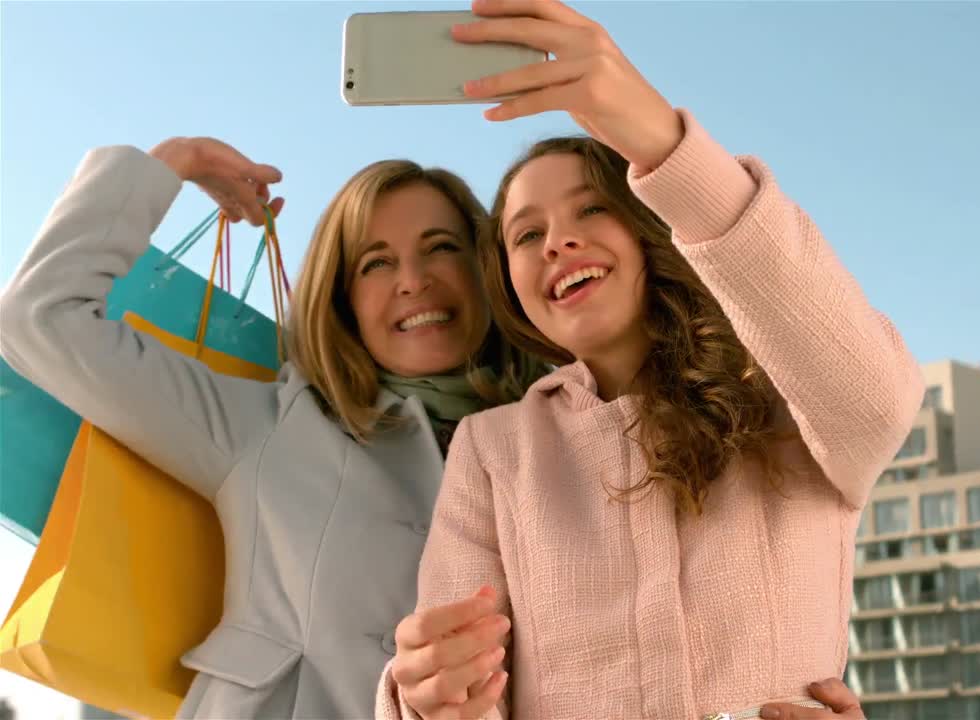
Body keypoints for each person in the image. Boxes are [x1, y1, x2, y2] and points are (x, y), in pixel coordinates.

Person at [377, 1, 924, 719]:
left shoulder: (790, 406)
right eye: (526, 233)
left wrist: (661, 143)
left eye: (591, 210)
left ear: (647, 230)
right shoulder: (494, 452)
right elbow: (459, 696)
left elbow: (876, 398)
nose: (556, 242)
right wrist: (423, 700)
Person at [0, 136, 546, 718]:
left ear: (489, 270)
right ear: (343, 300)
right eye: (376, 262)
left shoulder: (562, 439)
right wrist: (171, 163)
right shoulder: (271, 426)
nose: (412, 280)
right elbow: (39, 317)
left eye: (440, 248)